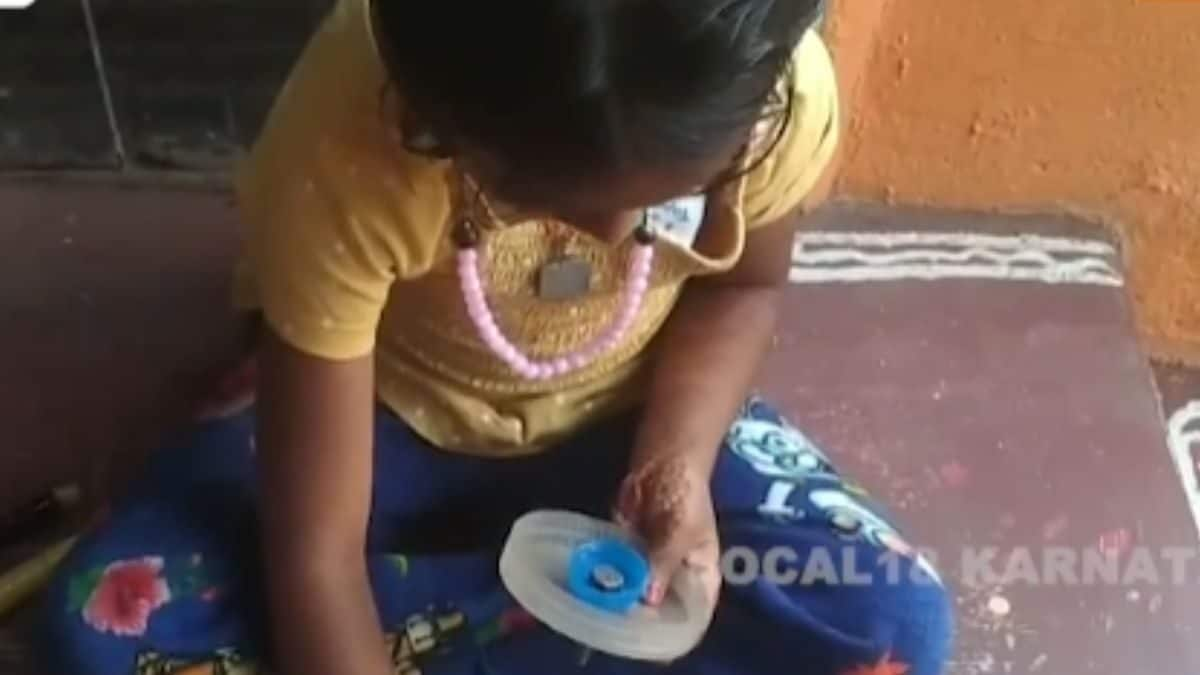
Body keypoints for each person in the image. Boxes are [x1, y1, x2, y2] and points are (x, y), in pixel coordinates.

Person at [40, 0, 954, 674]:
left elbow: (743, 286)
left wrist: (676, 459)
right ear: (439, 127)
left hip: (627, 411)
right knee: (96, 635)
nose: (610, 238)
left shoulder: (772, 99)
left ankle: (459, 616)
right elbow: (314, 548)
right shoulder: (346, 146)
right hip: (376, 410)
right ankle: (548, 620)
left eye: (669, 193)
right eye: (549, 199)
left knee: (891, 620)